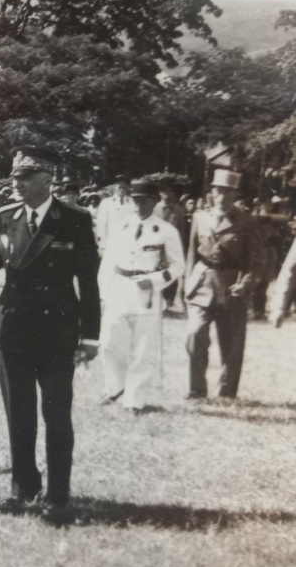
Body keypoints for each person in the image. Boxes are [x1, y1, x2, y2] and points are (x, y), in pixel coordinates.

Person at [0, 145, 100, 525]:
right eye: (15, 178)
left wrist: (90, 337)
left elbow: (88, 283)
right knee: (20, 414)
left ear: (47, 179)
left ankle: (57, 495)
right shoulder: (6, 217)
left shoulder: (74, 219)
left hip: (57, 330)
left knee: (57, 414)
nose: (18, 185)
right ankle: (23, 487)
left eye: (25, 178)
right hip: (13, 328)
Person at [97, 179, 184, 413]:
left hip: (147, 295)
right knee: (108, 343)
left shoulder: (166, 231)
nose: (139, 205)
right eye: (135, 200)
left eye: (144, 200)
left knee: (143, 350)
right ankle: (115, 388)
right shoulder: (121, 226)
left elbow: (178, 266)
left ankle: (134, 400)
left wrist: (155, 281)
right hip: (119, 290)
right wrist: (103, 294)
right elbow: (108, 263)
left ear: (155, 201)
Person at [183, 169, 267, 401]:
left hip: (231, 286)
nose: (223, 196)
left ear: (235, 194)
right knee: (195, 334)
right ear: (212, 192)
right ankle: (196, 390)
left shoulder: (246, 220)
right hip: (202, 284)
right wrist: (186, 284)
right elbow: (192, 253)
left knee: (231, 343)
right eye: (219, 190)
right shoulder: (200, 217)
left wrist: (246, 284)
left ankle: (227, 393)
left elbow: (258, 260)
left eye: (228, 191)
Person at [95, 174, 135, 255]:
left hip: (128, 243)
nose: (122, 189)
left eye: (125, 187)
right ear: (114, 187)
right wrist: (102, 246)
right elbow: (101, 225)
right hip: (111, 243)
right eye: (120, 187)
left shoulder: (132, 202)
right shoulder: (106, 203)